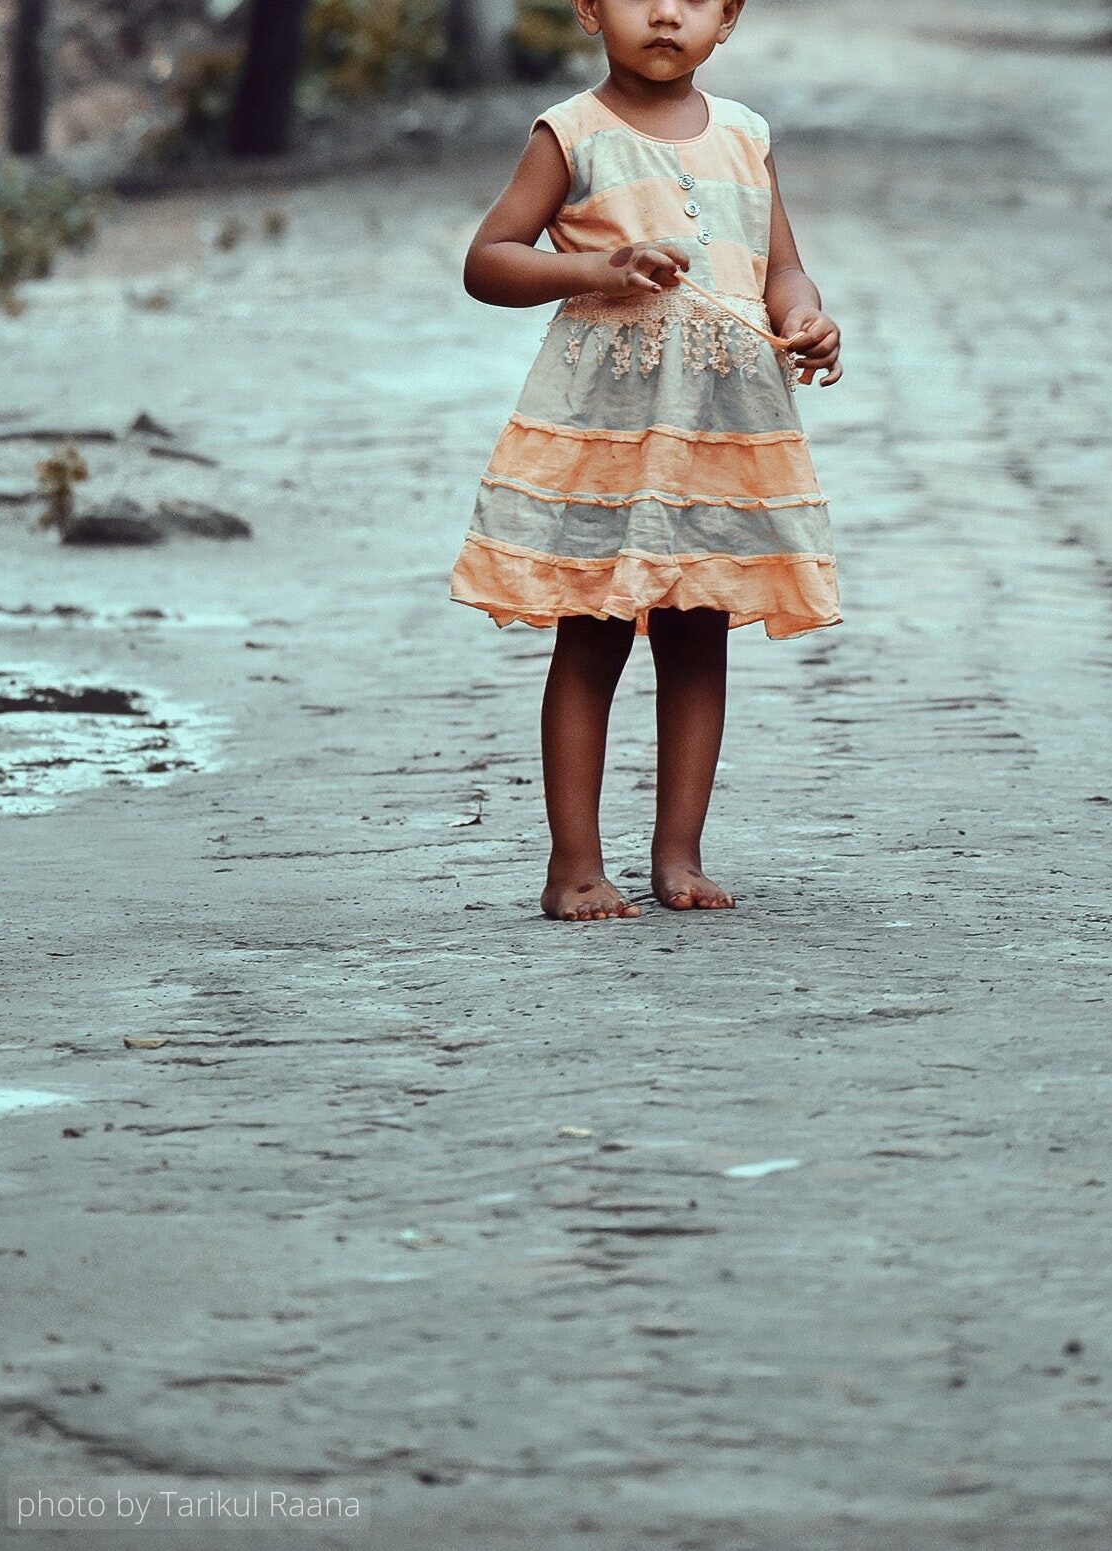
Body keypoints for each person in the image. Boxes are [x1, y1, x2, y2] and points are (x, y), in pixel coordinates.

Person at [449, 0, 843, 922]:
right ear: (589, 9)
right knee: (592, 634)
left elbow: (780, 268)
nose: (666, 13)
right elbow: (488, 261)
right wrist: (596, 269)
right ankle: (574, 865)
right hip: (610, 439)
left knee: (699, 633)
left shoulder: (746, 135)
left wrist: (804, 315)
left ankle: (680, 854)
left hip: (719, 432)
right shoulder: (570, 134)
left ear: (727, 18)